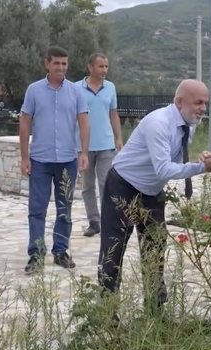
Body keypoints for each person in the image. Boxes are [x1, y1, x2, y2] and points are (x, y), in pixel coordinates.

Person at [97, 79, 211, 314]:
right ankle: (108, 316)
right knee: (113, 251)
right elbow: (164, 169)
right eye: (198, 102)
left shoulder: (188, 124)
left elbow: (173, 161)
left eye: (206, 103)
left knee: (155, 251)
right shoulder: (158, 123)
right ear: (179, 102)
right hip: (123, 186)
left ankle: (155, 313)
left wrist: (200, 160)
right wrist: (201, 168)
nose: (203, 108)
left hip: (152, 191)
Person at [19, 46, 90, 273]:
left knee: (64, 209)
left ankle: (60, 251)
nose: (61, 68)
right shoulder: (34, 90)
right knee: (37, 209)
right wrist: (24, 157)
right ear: (47, 64)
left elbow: (83, 122)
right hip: (40, 159)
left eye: (64, 64)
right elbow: (24, 122)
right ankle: (36, 255)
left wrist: (84, 152)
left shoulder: (76, 91)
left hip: (67, 160)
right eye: (57, 63)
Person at [78, 53, 123, 237]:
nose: (104, 70)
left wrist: (118, 137)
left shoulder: (110, 87)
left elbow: (113, 113)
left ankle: (108, 222)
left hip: (106, 144)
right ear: (90, 67)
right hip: (84, 146)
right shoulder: (76, 88)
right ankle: (93, 222)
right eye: (100, 66)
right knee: (88, 186)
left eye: (106, 66)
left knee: (107, 184)